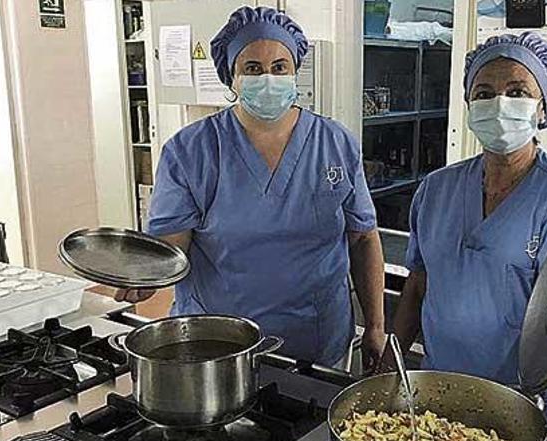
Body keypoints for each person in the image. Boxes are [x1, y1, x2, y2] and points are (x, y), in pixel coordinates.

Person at [116, 6, 386, 369]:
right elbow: (171, 249)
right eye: (253, 69)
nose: (269, 79)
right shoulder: (191, 151)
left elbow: (364, 238)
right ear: (232, 77)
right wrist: (146, 276)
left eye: (279, 68)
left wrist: (376, 326)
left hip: (317, 341)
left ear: (294, 71)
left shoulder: (335, 143)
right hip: (217, 345)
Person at [383, 32, 547, 438]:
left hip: (533, 403)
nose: (500, 104)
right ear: (469, 105)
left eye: (517, 90)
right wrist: (390, 368)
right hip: (444, 396)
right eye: (484, 93)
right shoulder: (437, 189)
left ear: (541, 108)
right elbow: (418, 285)